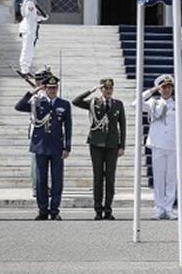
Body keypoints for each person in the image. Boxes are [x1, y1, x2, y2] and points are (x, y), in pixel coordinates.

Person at [15, 75, 71, 220]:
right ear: (45, 88)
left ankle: (54, 210)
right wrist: (33, 92)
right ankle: (43, 210)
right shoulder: (37, 102)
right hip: (40, 146)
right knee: (41, 180)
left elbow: (68, 127)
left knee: (57, 180)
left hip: (57, 147)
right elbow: (19, 106)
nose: (52, 90)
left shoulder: (64, 104)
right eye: (50, 88)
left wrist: (67, 147)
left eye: (55, 88)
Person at [73, 78, 125, 220]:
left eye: (110, 89)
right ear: (101, 89)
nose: (108, 91)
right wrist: (92, 90)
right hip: (96, 144)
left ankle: (108, 209)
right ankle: (98, 210)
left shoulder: (118, 104)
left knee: (110, 178)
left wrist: (122, 146)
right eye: (105, 88)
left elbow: (123, 126)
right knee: (98, 178)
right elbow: (76, 101)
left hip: (112, 145)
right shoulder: (94, 103)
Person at [140, 74, 182, 220]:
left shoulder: (177, 105)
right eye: (163, 88)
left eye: (169, 87)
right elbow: (135, 103)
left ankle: (169, 208)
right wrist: (151, 90)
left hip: (173, 145)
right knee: (159, 178)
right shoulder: (153, 103)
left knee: (171, 178)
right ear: (159, 89)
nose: (166, 90)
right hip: (158, 144)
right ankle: (159, 208)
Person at [18, 0, 44, 76]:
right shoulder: (29, 1)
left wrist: (40, 17)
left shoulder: (31, 0)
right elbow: (28, 15)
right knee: (27, 48)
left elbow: (32, 15)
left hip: (31, 28)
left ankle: (26, 68)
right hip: (28, 28)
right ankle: (24, 69)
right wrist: (38, 17)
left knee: (30, 49)